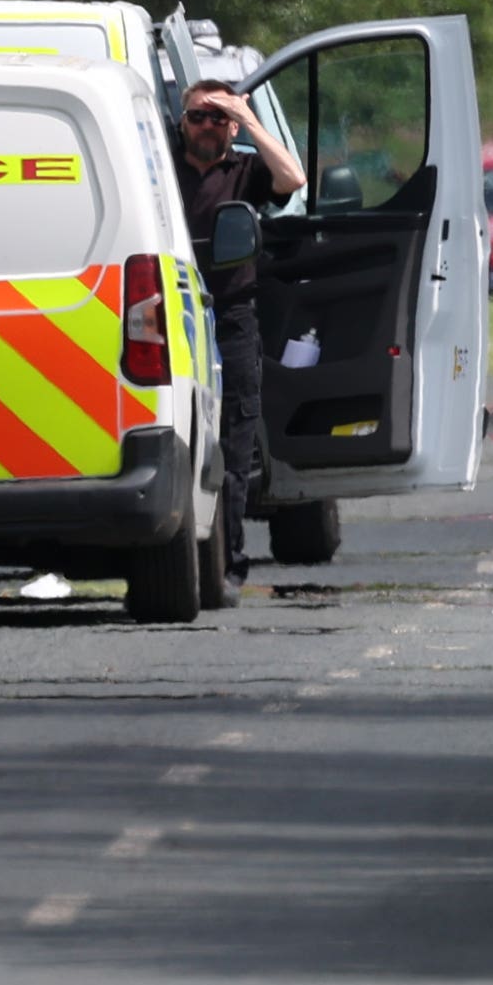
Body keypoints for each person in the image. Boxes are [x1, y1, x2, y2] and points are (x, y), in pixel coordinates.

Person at [170, 79, 304, 605]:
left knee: (235, 440)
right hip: (170, 310)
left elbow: (292, 177)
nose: (207, 125)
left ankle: (228, 563)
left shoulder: (245, 169)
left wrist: (246, 118)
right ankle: (179, 551)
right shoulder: (159, 164)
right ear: (182, 121)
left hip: (232, 316)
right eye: (198, 115)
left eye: (217, 118)